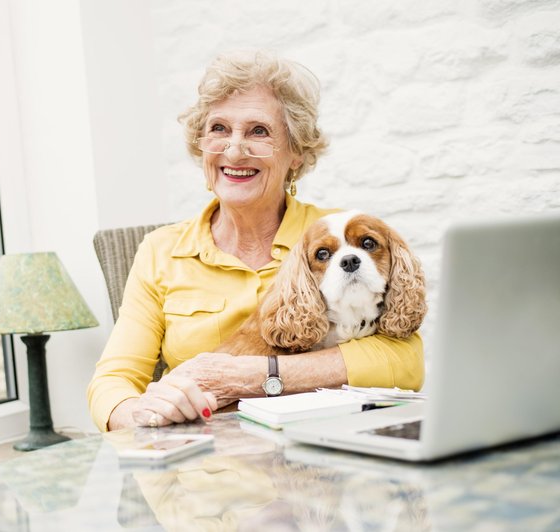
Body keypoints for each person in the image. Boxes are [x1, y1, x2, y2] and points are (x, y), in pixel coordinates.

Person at [87, 50, 423, 432]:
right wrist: (144, 412)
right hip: (209, 468)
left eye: (258, 131)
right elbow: (112, 382)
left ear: (296, 152)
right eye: (218, 129)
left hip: (327, 451)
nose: (234, 149)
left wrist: (257, 374)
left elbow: (406, 362)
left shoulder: (338, 237)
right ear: (201, 146)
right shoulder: (161, 250)